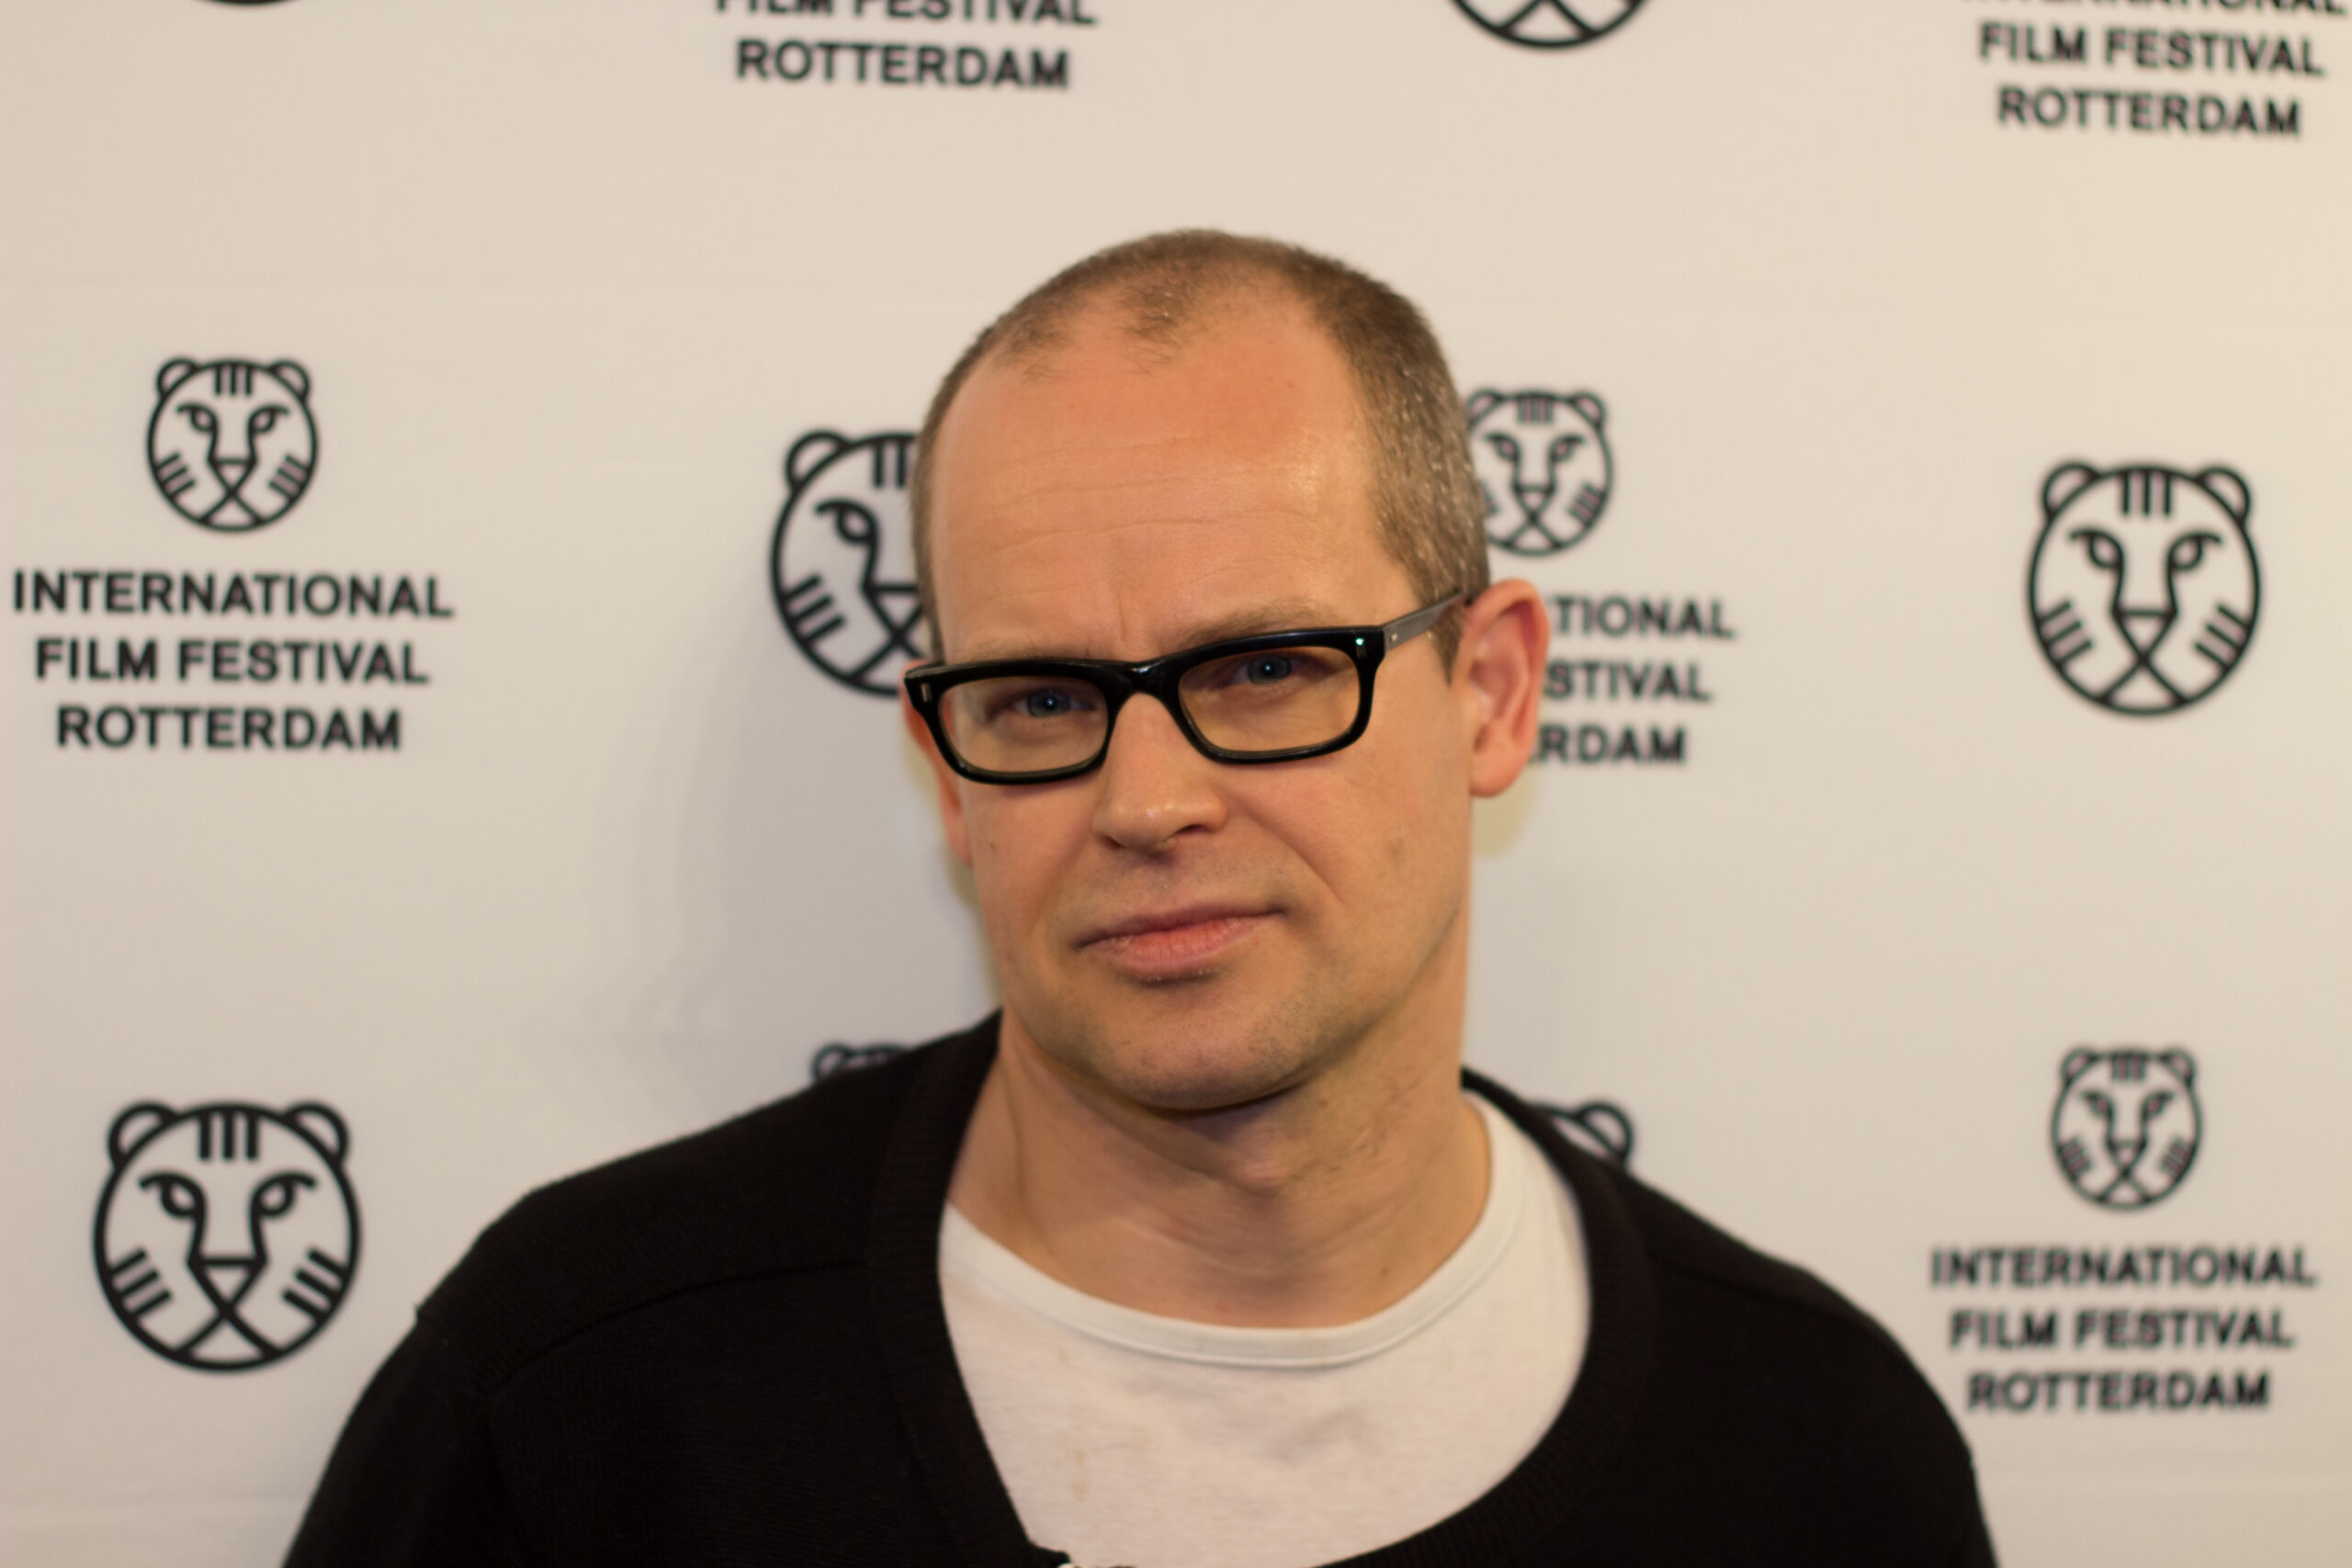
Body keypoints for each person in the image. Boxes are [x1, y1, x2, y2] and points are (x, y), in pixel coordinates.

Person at [286, 231, 1995, 1567]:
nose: (1148, 801)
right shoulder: (578, 1395)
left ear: (1489, 693)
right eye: (1039, 701)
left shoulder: (1817, 1454)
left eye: (1263, 668)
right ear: (947, 772)